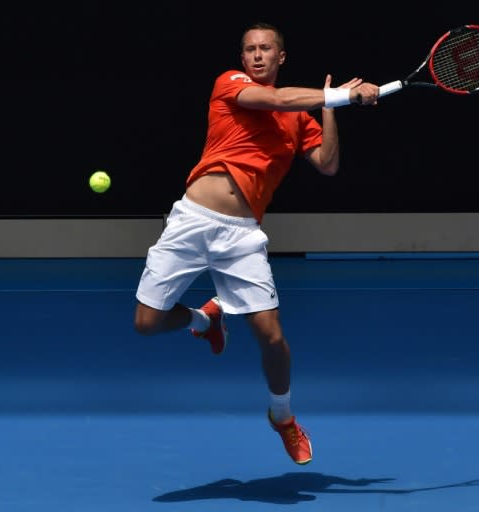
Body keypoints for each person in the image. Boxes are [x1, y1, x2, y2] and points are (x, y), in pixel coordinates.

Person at [133, 21, 380, 465]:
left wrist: (330, 110)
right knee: (147, 323)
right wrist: (341, 94)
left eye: (266, 48)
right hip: (191, 219)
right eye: (250, 50)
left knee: (272, 337)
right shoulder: (230, 84)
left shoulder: (300, 118)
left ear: (281, 56)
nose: (257, 55)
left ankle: (282, 417)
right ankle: (204, 322)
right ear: (243, 58)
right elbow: (275, 99)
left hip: (243, 234)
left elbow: (327, 164)